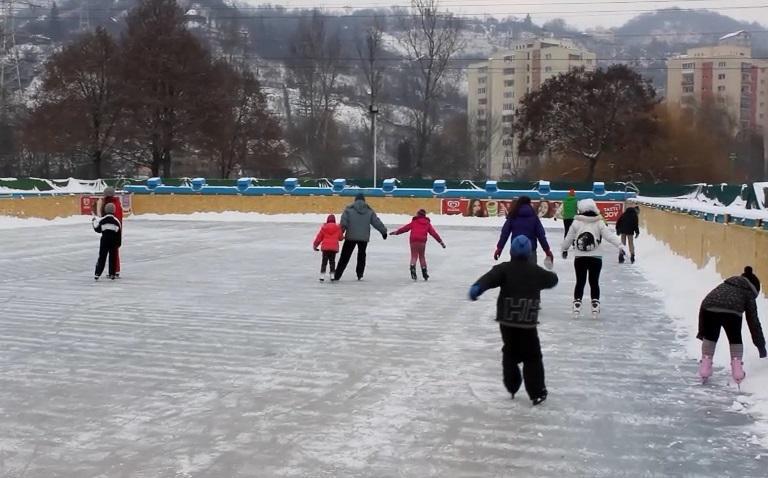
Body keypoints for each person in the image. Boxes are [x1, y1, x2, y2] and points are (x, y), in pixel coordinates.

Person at [469, 235, 559, 406]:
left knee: (510, 351)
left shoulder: (504, 269)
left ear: (512, 251)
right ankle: (537, 392)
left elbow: (489, 278)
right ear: (528, 253)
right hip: (527, 320)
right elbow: (551, 280)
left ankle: (512, 385)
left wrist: (477, 288)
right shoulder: (536, 271)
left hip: (507, 319)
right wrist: (552, 274)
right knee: (532, 356)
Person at [697, 266, 766, 384]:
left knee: (710, 336)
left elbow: (705, 303)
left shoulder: (725, 285)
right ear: (754, 289)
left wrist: (702, 331)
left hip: (708, 309)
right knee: (735, 339)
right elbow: (753, 322)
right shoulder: (748, 293)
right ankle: (737, 371)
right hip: (732, 313)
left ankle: (705, 368)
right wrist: (761, 346)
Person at [561, 198, 626, 318]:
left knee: (580, 281)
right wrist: (620, 245)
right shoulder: (599, 222)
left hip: (580, 257)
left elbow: (568, 239)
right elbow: (609, 236)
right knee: (594, 282)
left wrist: (564, 249)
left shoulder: (576, 222)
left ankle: (577, 305)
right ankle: (595, 305)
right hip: (596, 258)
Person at [334, 193, 388, 281]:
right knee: (361, 255)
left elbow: (343, 223)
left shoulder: (348, 209)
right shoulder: (369, 211)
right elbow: (376, 222)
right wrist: (383, 232)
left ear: (355, 200)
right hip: (363, 238)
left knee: (345, 256)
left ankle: (337, 275)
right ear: (364, 200)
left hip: (350, 236)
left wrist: (340, 233)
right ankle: (360, 274)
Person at [494, 196, 554, 266]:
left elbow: (505, 233)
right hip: (531, 250)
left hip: (515, 250)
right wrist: (547, 251)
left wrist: (499, 248)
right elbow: (541, 236)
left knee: (516, 273)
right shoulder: (534, 217)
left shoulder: (513, 215)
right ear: (529, 203)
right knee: (531, 273)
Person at [390, 209, 446, 281]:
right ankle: (424, 273)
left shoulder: (414, 222)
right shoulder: (427, 223)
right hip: (422, 241)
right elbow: (434, 233)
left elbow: (405, 228)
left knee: (414, 256)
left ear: (418, 215)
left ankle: (413, 268)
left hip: (413, 240)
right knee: (422, 256)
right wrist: (441, 242)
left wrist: (396, 232)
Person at [92, 202, 121, 280]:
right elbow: (118, 233)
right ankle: (112, 274)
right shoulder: (116, 221)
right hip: (114, 242)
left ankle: (97, 273)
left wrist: (93, 222)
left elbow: (98, 229)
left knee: (102, 257)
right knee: (112, 257)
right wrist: (118, 243)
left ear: (105, 210)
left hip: (104, 241)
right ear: (114, 211)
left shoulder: (103, 220)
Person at [99, 187, 124, 277]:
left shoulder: (111, 204)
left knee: (112, 251)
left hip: (112, 229)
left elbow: (111, 217)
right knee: (114, 250)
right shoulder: (115, 202)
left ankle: (114, 270)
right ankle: (114, 270)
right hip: (116, 228)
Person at [313, 214, 344, 282]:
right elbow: (340, 238)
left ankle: (322, 276)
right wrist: (342, 236)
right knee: (332, 262)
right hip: (333, 248)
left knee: (324, 262)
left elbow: (319, 238)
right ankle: (332, 275)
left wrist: (315, 245)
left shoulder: (324, 228)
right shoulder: (338, 227)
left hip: (325, 248)